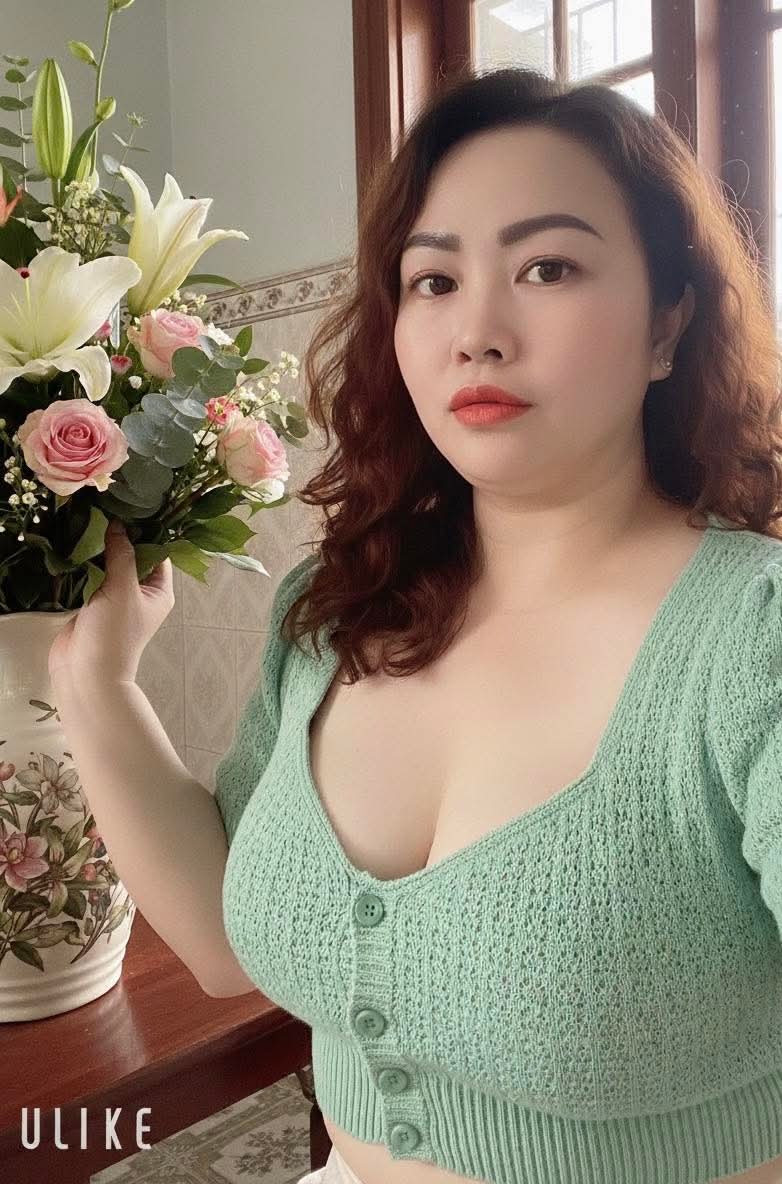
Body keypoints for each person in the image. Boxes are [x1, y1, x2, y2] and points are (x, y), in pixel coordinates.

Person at [49, 66, 782, 1184]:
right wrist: (95, 684)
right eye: (433, 279)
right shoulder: (338, 607)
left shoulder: (751, 641)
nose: (476, 331)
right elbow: (223, 946)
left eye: (548, 267)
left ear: (666, 324)